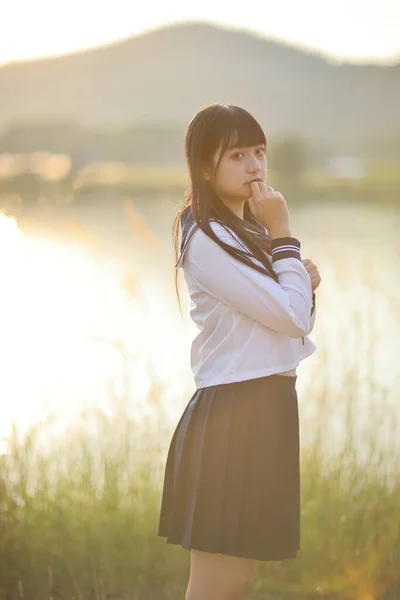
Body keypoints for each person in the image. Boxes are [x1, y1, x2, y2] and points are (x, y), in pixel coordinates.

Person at [157, 103, 321, 600]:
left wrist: (298, 281)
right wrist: (286, 241)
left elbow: (295, 328)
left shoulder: (243, 233)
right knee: (215, 585)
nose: (255, 166)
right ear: (206, 167)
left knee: (239, 582)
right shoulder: (206, 237)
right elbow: (291, 316)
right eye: (238, 156)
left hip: (263, 409)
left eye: (260, 152)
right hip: (231, 414)